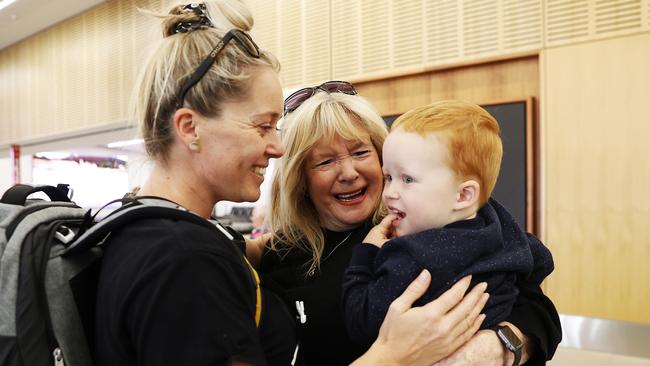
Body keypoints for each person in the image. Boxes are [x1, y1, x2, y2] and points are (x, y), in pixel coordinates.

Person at [95, 3, 488, 365]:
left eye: (360, 153)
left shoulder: (170, 234)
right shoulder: (184, 258)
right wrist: (393, 355)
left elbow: (522, 288)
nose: (277, 146)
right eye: (263, 125)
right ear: (189, 128)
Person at [259, 81, 561, 366]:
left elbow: (539, 312)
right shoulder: (281, 257)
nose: (348, 172)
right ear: (300, 178)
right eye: (325, 161)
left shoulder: (436, 222)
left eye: (361, 152)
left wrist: (496, 347)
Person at [342, 100, 555, 347]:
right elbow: (541, 260)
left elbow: (362, 321)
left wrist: (366, 255)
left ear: (464, 195)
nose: (390, 192)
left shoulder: (411, 256)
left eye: (407, 179)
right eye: (388, 177)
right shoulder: (499, 223)